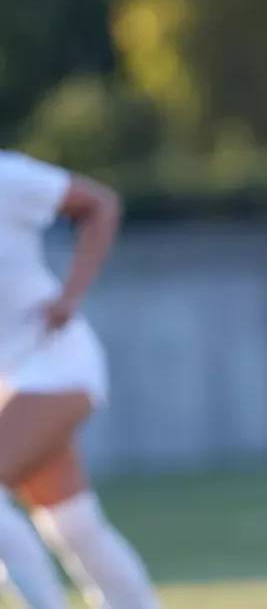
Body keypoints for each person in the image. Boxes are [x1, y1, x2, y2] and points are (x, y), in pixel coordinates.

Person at [0, 151, 160, 609]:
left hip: (54, 362)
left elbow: (100, 204)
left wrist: (70, 296)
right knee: (72, 522)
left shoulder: (9, 178)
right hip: (11, 378)